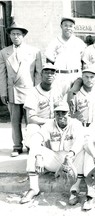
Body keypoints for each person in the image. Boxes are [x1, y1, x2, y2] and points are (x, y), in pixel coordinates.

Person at [20, 101, 85, 204]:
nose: (60, 116)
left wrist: (71, 154)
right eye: (57, 113)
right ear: (54, 113)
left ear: (69, 113)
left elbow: (81, 141)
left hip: (72, 161)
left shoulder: (76, 123)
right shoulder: (49, 124)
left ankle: (74, 190)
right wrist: (39, 157)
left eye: (63, 113)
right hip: (55, 159)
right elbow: (37, 138)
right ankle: (34, 188)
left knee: (83, 151)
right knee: (34, 149)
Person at [0, 22, 42, 157]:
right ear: (9, 36)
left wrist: (38, 91)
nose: (15, 37)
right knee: (14, 120)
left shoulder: (34, 51)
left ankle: (31, 145)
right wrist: (3, 92)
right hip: (13, 91)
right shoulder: (4, 52)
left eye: (18, 34)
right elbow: (2, 74)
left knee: (31, 120)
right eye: (13, 34)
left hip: (29, 91)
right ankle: (17, 146)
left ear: (23, 36)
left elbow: (38, 73)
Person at [23, 63, 67, 148]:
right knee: (32, 128)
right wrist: (51, 122)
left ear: (55, 75)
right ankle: (35, 152)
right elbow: (31, 119)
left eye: (52, 72)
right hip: (39, 125)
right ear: (41, 74)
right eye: (46, 72)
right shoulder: (33, 92)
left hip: (56, 124)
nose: (49, 75)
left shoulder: (59, 89)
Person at [45, 17, 86, 93]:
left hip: (76, 76)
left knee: (74, 102)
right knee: (58, 102)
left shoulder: (79, 43)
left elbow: (84, 63)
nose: (68, 28)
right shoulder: (54, 42)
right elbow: (49, 63)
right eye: (65, 25)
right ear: (61, 26)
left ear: (74, 28)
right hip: (59, 77)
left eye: (71, 26)